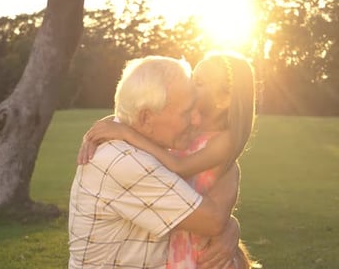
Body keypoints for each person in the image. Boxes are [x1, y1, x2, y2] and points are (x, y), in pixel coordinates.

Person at [78, 51, 257, 269]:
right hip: (185, 231)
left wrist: (126, 133)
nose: (190, 87)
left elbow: (179, 166)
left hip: (196, 245)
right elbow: (137, 116)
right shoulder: (138, 156)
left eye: (198, 82)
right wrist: (106, 128)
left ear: (224, 100)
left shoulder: (215, 140)